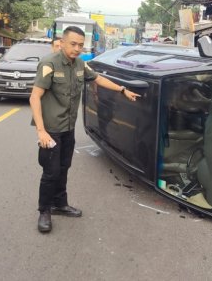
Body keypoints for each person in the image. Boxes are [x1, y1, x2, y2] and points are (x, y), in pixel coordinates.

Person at [30, 26, 140, 233]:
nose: (77, 48)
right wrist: (41, 131)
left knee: (64, 168)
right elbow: (35, 97)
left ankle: (60, 204)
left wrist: (123, 89)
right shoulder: (49, 64)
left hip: (68, 128)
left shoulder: (80, 65)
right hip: (51, 129)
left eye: (80, 45)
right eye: (73, 44)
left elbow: (98, 79)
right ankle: (44, 210)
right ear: (62, 43)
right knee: (51, 172)